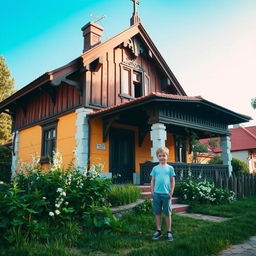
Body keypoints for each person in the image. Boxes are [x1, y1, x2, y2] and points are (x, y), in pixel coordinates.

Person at [150, 146, 175, 241]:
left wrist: (171, 192)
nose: (162, 157)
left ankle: (169, 232)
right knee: (157, 213)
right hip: (156, 194)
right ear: (157, 157)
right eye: (160, 156)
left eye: (164, 155)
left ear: (167, 156)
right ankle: (158, 230)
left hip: (166, 194)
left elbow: (172, 181)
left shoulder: (170, 168)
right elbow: (152, 180)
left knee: (167, 213)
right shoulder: (155, 168)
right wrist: (152, 191)